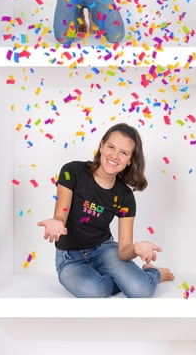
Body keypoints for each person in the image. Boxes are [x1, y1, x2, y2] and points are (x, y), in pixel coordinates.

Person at [37, 123, 174, 298]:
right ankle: (123, 279)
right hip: (70, 258)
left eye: (123, 153)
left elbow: (124, 251)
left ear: (129, 160)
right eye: (111, 147)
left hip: (104, 251)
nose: (115, 156)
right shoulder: (72, 171)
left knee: (142, 291)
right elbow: (61, 215)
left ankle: (153, 273)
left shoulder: (125, 196)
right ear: (101, 146)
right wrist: (57, 222)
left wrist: (136, 248)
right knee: (94, 291)